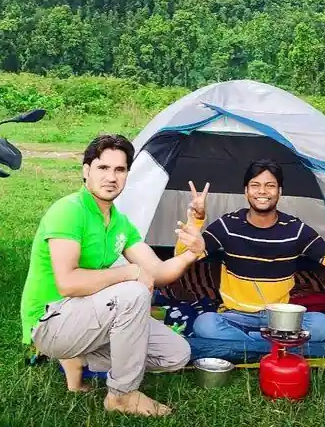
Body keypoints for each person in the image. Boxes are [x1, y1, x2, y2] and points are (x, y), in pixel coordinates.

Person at [19, 134, 206, 417]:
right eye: (103, 168)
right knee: (133, 291)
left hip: (89, 317)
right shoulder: (69, 211)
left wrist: (191, 253)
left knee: (175, 354)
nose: (111, 177)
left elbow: (157, 273)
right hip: (51, 321)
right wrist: (128, 272)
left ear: (127, 174)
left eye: (120, 170)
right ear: (86, 171)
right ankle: (121, 395)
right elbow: (68, 283)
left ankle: (78, 356)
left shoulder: (120, 222)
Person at [176, 159, 325, 342]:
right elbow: (182, 257)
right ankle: (276, 343)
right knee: (205, 324)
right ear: (246, 192)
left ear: (279, 192)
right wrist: (195, 221)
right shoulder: (228, 225)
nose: (262, 191)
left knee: (321, 325)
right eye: (255, 185)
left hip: (280, 317)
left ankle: (249, 343)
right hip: (236, 316)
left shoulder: (295, 230)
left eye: (270, 185)